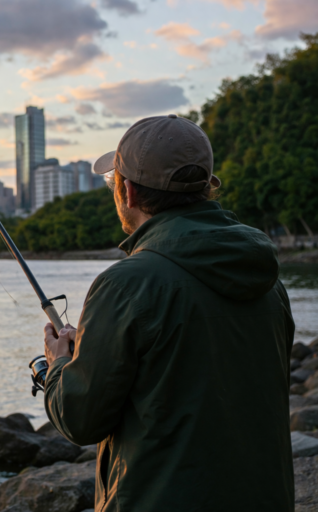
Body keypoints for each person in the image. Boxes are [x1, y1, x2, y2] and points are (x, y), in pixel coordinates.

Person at [42, 114, 295, 511]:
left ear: (128, 192)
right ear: (206, 188)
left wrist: (58, 365)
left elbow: (80, 419)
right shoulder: (268, 280)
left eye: (114, 182)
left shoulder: (126, 284)